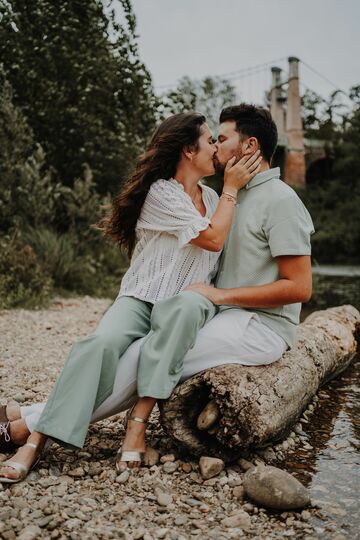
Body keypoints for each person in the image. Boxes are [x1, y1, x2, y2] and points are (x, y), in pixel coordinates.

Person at [0, 111, 261, 482]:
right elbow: (213, 238)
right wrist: (234, 189)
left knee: (176, 324)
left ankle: (132, 423)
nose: (216, 148)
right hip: (140, 299)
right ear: (188, 150)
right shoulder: (162, 193)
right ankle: (36, 439)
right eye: (210, 141)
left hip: (185, 304)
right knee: (98, 346)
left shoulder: (212, 196)